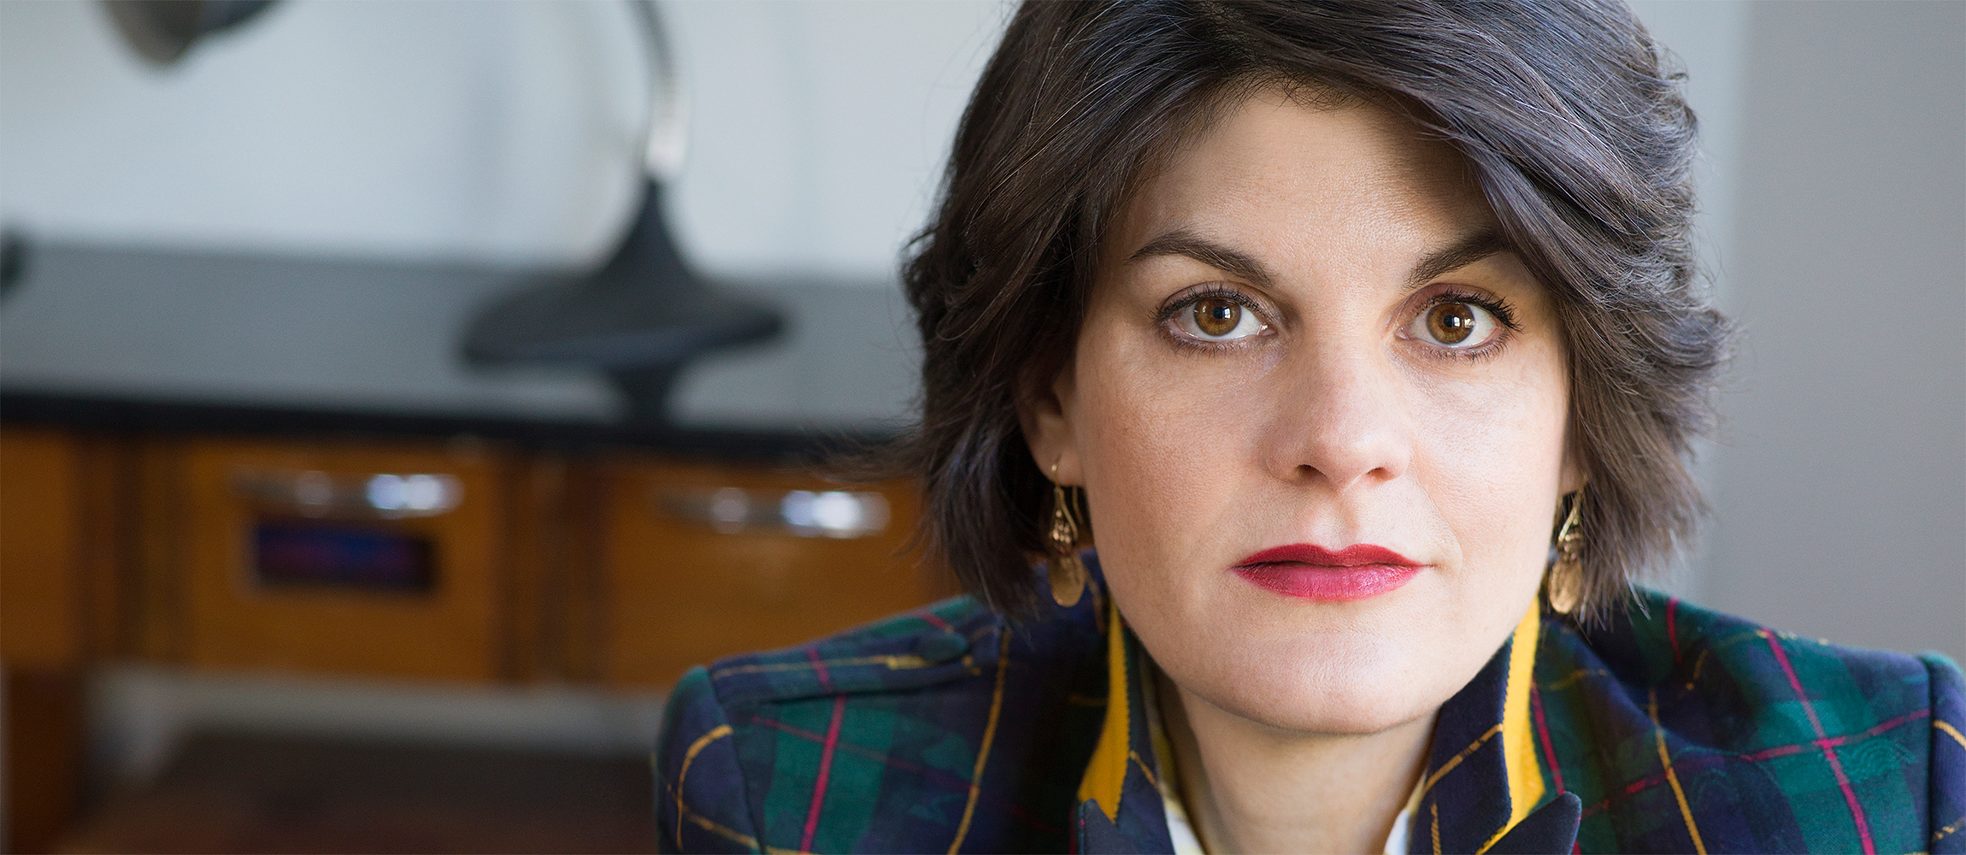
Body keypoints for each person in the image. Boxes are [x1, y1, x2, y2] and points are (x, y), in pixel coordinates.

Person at [653, 1, 1965, 851]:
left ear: (1583, 414)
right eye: (1217, 314)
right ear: (1052, 400)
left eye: (1456, 319)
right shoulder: (787, 788)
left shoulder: (1889, 798)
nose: (1341, 439)